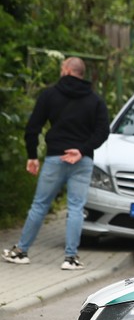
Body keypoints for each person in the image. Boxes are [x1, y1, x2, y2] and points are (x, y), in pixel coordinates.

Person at [2, 57, 110, 270]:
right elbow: (102, 132)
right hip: (82, 160)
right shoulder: (95, 100)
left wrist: (32, 155)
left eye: (62, 68)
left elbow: (33, 127)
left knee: (40, 205)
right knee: (76, 208)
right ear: (81, 73)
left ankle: (21, 251)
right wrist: (82, 150)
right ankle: (70, 258)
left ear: (67, 70)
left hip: (55, 158)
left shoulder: (49, 95)